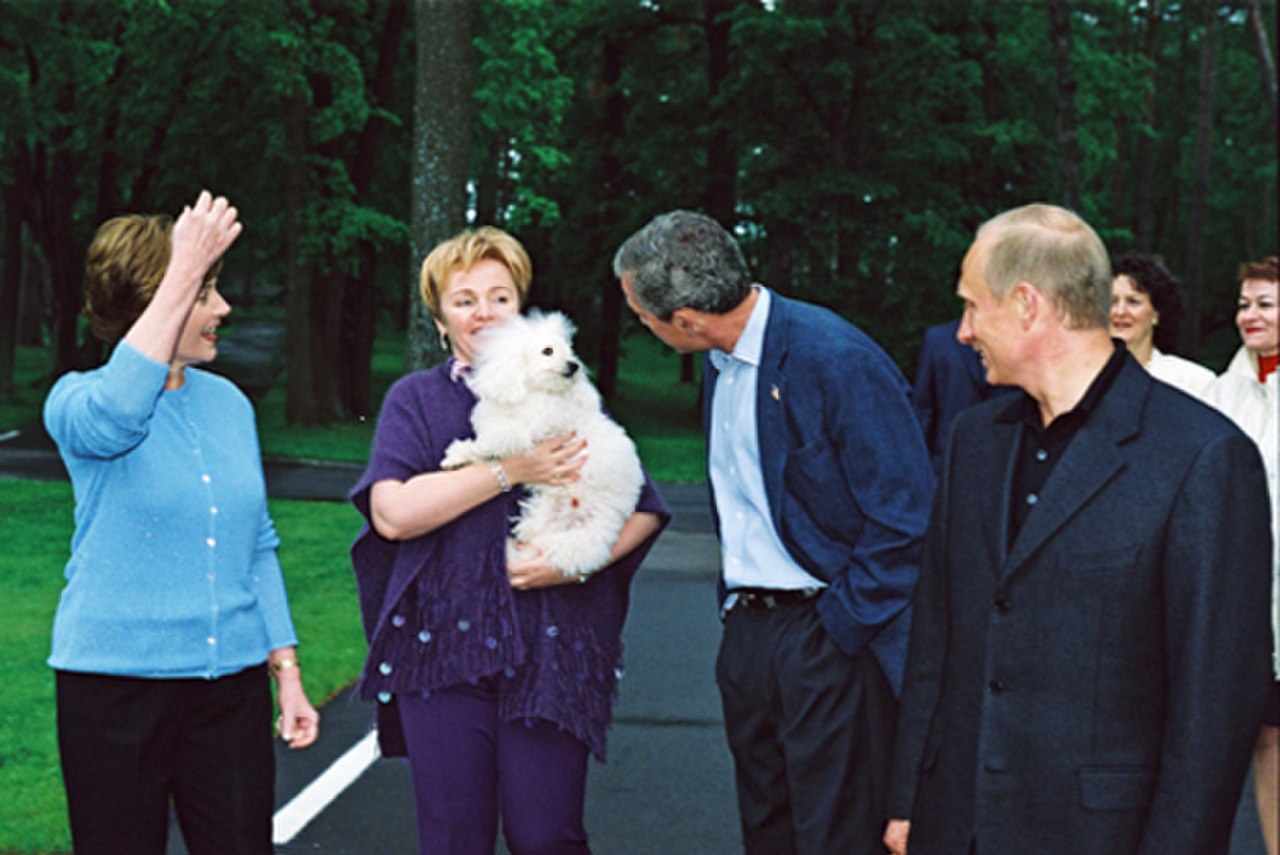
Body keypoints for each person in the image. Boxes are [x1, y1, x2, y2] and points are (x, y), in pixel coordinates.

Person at [885, 204, 1273, 855]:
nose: (962, 331)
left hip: (1101, 833)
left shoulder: (1202, 455)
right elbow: (936, 636)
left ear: (1027, 304)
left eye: (973, 307)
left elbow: (1215, 703)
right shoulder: (974, 440)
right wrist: (907, 802)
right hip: (958, 821)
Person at [613, 210, 934, 854]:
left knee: (834, 833)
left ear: (686, 319)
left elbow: (908, 513)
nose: (638, 325)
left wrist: (838, 628)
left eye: (640, 314)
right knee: (768, 830)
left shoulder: (834, 358)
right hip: (751, 636)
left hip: (827, 635)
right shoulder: (720, 363)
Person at [350, 225, 670, 855]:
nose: (484, 313)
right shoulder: (415, 400)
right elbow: (392, 514)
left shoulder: (567, 388)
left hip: (550, 652)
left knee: (546, 836)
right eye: (463, 299)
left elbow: (644, 507)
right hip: (440, 652)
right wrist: (509, 471)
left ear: (521, 308)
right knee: (453, 838)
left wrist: (571, 565)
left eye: (499, 296)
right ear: (440, 319)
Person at [43, 191, 319, 855]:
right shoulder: (75, 401)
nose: (222, 309)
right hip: (112, 692)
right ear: (156, 302)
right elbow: (118, 414)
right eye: (206, 293)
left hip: (228, 692)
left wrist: (287, 669)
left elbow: (256, 544)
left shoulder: (229, 405)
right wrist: (181, 273)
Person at [1208, 255, 1279, 855]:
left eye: (1265, 303)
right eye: (1244, 304)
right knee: (1267, 736)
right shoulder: (1220, 392)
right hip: (1251, 598)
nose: (1249, 315)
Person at [1109, 251, 1215, 398]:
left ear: (1156, 314)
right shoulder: (1079, 377)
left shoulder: (1194, 382)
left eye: (1133, 302)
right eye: (1112, 301)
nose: (1120, 312)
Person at [912, 317, 1009, 475]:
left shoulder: (1015, 341)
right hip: (945, 464)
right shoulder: (938, 339)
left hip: (1002, 465)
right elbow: (924, 410)